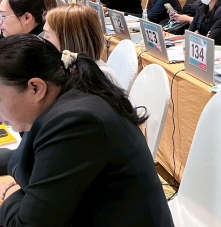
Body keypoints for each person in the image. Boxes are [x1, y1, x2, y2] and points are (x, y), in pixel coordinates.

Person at [0, 35, 174, 227]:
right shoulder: (65, 98)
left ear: (36, 88)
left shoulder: (75, 123)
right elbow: (29, 158)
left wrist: (10, 193)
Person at [43, 4, 120, 85]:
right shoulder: (68, 68)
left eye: (47, 35)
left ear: (69, 40)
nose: (43, 40)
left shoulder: (92, 79)